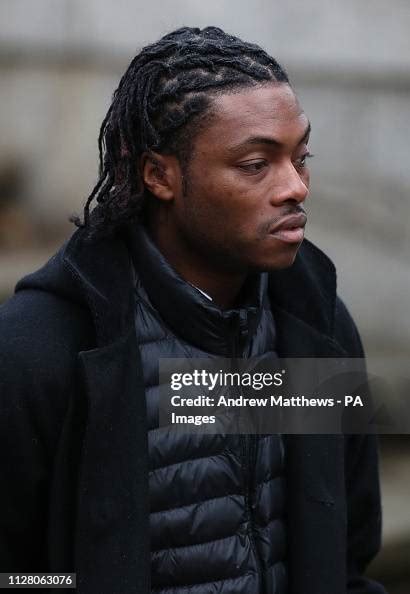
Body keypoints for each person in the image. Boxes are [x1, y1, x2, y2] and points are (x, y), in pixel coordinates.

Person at [0, 26, 385, 594]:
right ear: (159, 175)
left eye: (300, 157)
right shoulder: (41, 351)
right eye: (255, 164)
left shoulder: (317, 323)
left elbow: (347, 550)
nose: (295, 187)